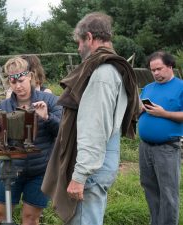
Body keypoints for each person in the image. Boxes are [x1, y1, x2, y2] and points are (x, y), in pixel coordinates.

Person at [41, 12, 139, 225]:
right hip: (100, 159)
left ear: (89, 37)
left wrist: (80, 176)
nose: (78, 48)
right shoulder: (109, 68)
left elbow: (94, 128)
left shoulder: (102, 73)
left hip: (92, 164)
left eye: (79, 42)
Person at [0, 56, 62, 225]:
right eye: (13, 83)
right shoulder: (3, 106)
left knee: (30, 218)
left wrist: (47, 117)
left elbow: (62, 132)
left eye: (21, 80)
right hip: (9, 169)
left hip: (40, 172)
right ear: (9, 83)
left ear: (30, 77)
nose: (18, 86)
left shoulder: (49, 100)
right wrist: (0, 133)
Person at [138, 51, 183, 225]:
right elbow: (140, 110)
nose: (156, 73)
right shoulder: (148, 88)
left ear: (170, 66)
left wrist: (164, 113)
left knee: (168, 193)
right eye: (152, 70)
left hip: (167, 148)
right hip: (145, 147)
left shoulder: (180, 86)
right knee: (149, 188)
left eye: (159, 69)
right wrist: (140, 110)